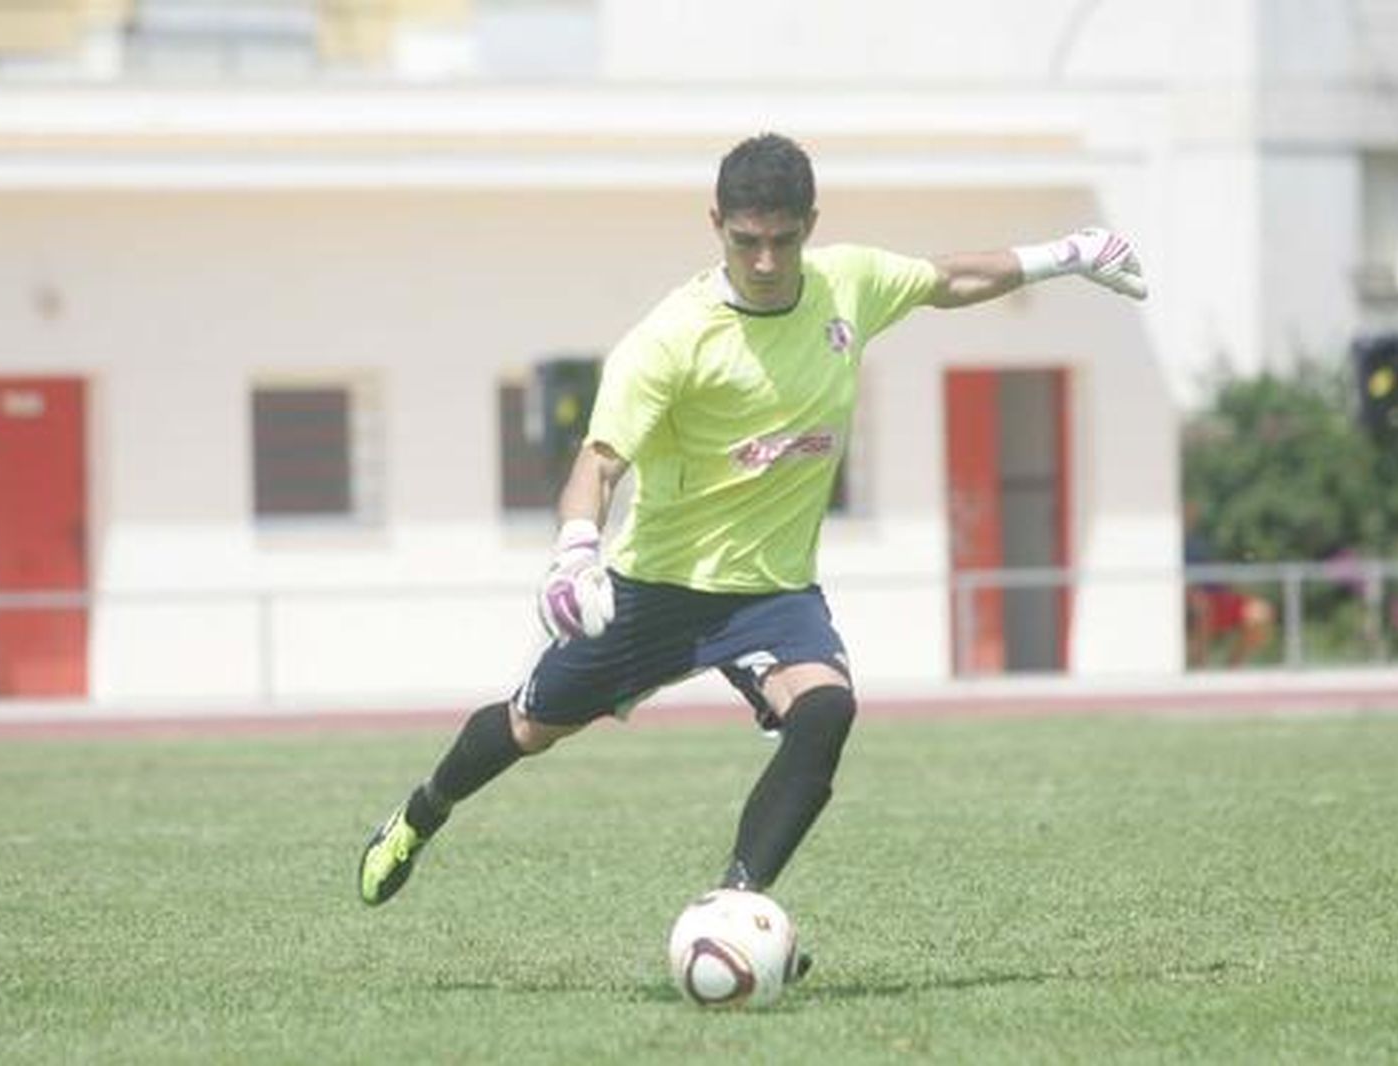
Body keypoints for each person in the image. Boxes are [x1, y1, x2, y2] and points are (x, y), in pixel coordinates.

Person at [358, 134, 1148, 956]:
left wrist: (1071, 252)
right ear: (717, 226)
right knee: (528, 729)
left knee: (828, 707)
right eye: (746, 241)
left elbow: (948, 279)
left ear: (810, 224)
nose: (766, 260)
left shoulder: (849, 284)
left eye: (783, 239)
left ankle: (735, 908)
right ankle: (420, 814)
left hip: (773, 595)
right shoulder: (671, 338)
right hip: (656, 588)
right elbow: (596, 465)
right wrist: (574, 553)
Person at [1183, 501, 1276, 667]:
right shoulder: (1170, 543)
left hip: (1221, 597)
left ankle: (1233, 667)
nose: (1191, 512)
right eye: (1186, 508)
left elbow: (1223, 569)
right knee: (1201, 606)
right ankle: (1200, 669)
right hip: (1193, 602)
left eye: (1193, 509)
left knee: (1260, 611)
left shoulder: (1205, 539)